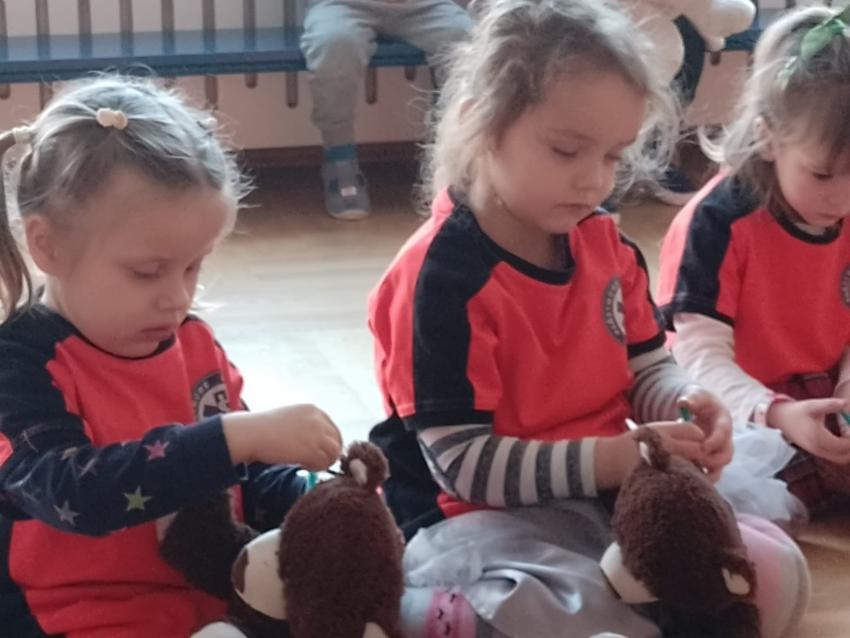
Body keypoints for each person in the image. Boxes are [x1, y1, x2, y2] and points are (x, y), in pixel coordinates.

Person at [367, 1, 809, 636]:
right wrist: (609, 461)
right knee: (591, 614)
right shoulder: (440, 279)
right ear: (479, 124)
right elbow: (462, 464)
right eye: (567, 151)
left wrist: (685, 401)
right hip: (479, 516)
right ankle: (428, 613)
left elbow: (647, 365)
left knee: (775, 575)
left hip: (606, 487)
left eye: (613, 157)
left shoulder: (604, 245)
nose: (594, 182)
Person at [0, 76, 342, 638]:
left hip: (206, 599)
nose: (177, 297)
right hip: (70, 616)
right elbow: (74, 494)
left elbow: (238, 478)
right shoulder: (19, 366)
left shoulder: (193, 342)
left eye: (193, 266)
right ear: (48, 245)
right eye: (147, 272)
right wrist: (234, 437)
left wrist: (315, 499)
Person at [657, 5, 850, 523]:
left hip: (819, 392)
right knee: (720, 493)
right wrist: (779, 414)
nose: (842, 198)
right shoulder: (718, 222)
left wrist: (845, 395)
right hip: (736, 402)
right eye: (823, 174)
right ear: (768, 137)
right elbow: (698, 360)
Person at [300, 0, 472, 220]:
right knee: (334, 45)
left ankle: (454, 164)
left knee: (466, 40)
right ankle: (339, 159)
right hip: (342, 4)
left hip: (424, 5)